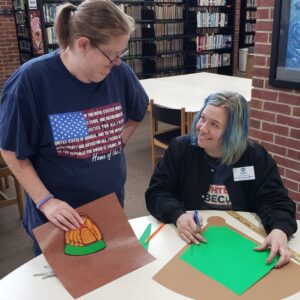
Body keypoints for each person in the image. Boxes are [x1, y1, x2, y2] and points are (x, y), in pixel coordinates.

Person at [0, 0, 148, 255]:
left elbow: (137, 110)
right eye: (112, 55)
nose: (117, 63)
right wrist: (46, 202)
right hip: (58, 215)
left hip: (110, 204)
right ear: (82, 44)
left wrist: (115, 141)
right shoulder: (32, 81)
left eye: (120, 55)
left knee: (109, 276)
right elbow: (12, 151)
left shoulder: (119, 73)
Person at [145, 92, 297, 268]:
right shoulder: (180, 149)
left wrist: (280, 228)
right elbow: (157, 193)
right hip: (190, 240)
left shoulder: (254, 157)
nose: (202, 128)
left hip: (240, 243)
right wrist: (177, 214)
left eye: (214, 125)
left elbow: (275, 199)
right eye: (202, 118)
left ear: (234, 132)